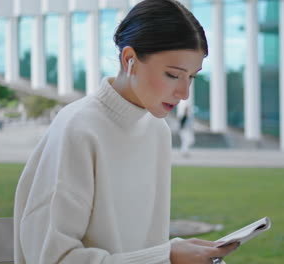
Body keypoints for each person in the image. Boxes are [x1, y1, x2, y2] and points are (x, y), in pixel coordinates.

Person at [13, 0, 239, 263]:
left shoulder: (157, 130)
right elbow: (52, 258)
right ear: (129, 59)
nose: (184, 92)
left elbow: (140, 246)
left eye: (192, 76)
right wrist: (167, 257)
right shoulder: (79, 128)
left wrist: (171, 252)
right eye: (173, 75)